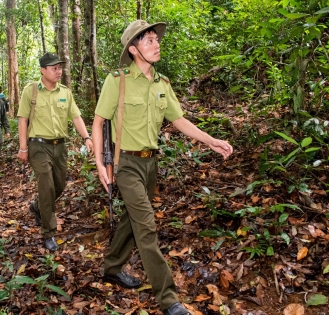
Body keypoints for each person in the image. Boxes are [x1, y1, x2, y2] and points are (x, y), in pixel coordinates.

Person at [91, 20, 233, 315]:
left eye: (156, 39)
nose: (156, 44)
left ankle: (112, 267)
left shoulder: (162, 84)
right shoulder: (116, 80)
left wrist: (211, 140)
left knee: (133, 220)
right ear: (133, 49)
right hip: (125, 163)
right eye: (148, 40)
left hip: (150, 162)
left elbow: (179, 120)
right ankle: (168, 299)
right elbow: (99, 121)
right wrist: (99, 163)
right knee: (146, 226)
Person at [17, 52, 93, 252]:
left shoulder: (65, 92)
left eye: (60, 67)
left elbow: (76, 117)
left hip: (60, 147)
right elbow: (23, 120)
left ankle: (37, 206)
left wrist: (87, 137)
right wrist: (23, 148)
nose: (59, 71)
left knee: (59, 185)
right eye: (54, 68)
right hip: (38, 146)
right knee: (46, 186)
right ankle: (49, 232)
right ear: (43, 70)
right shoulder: (31, 91)